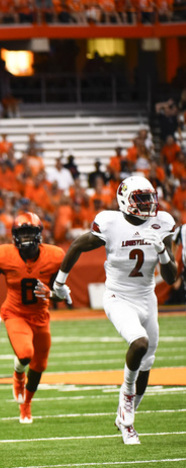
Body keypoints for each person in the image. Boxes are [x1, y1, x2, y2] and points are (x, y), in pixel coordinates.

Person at [52, 176, 178, 445]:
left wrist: (163, 252)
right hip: (118, 296)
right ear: (124, 200)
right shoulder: (110, 223)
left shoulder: (162, 223)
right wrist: (59, 282)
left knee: (147, 362)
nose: (146, 204)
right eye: (140, 199)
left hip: (147, 297)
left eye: (148, 198)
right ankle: (126, 408)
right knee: (139, 343)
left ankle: (125, 417)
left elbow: (171, 278)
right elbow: (77, 245)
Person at [0, 212, 66, 424]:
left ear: (39, 234)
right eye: (21, 233)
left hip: (41, 315)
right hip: (15, 313)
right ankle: (18, 372)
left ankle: (26, 404)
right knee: (25, 354)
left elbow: (60, 293)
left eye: (29, 232)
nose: (25, 237)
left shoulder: (55, 256)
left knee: (40, 365)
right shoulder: (5, 255)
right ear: (14, 235)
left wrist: (55, 293)